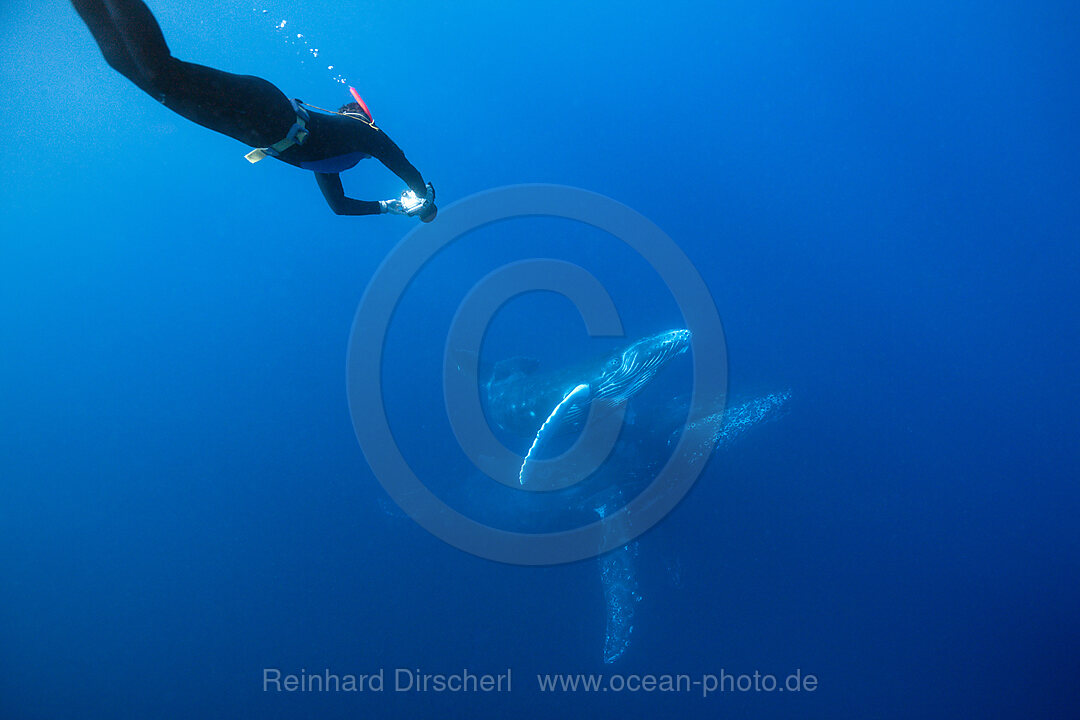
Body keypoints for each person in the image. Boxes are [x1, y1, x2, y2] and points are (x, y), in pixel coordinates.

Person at [71, 0, 437, 221]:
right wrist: (423, 198)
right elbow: (403, 164)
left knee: (138, 73)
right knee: (159, 72)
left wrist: (389, 207)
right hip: (265, 109)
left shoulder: (335, 158)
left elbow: (339, 207)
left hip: (249, 130)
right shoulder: (362, 132)